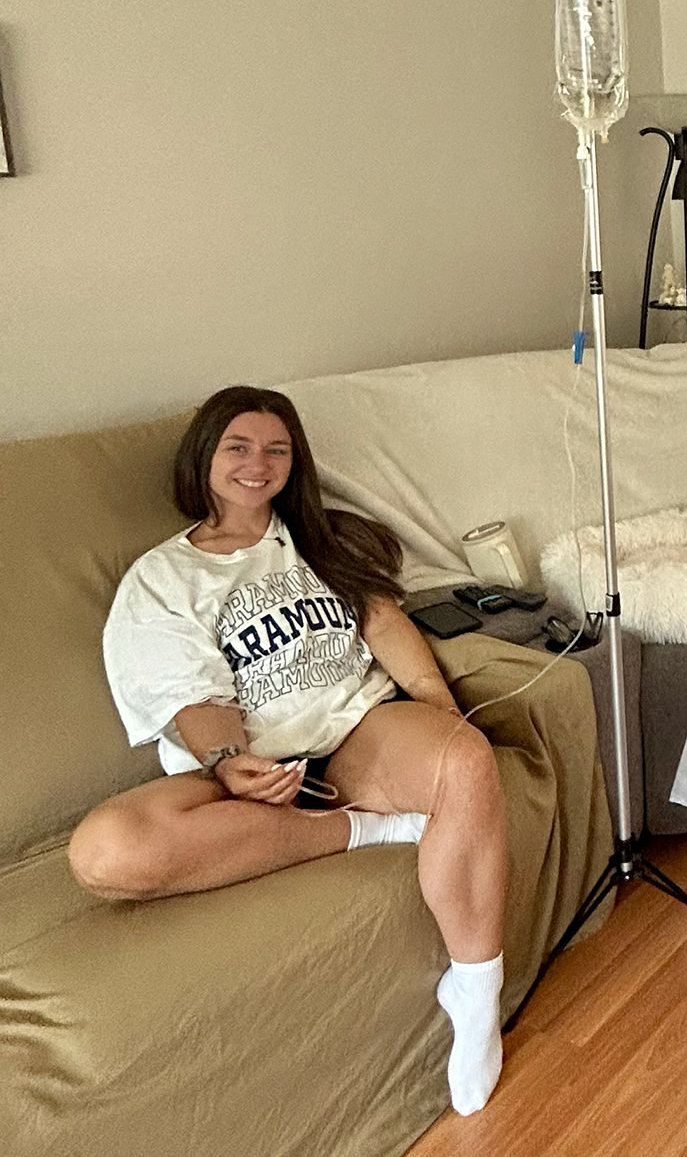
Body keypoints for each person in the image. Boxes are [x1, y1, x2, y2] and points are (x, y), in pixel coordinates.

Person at [66, 386, 511, 1116]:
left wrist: (439, 705)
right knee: (104, 853)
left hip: (357, 733)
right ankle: (369, 829)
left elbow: (382, 622)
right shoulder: (162, 577)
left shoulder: (320, 540)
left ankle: (476, 988)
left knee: (466, 761)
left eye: (277, 449)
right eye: (238, 446)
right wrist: (228, 761)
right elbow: (189, 691)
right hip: (252, 772)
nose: (258, 463)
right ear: (203, 456)